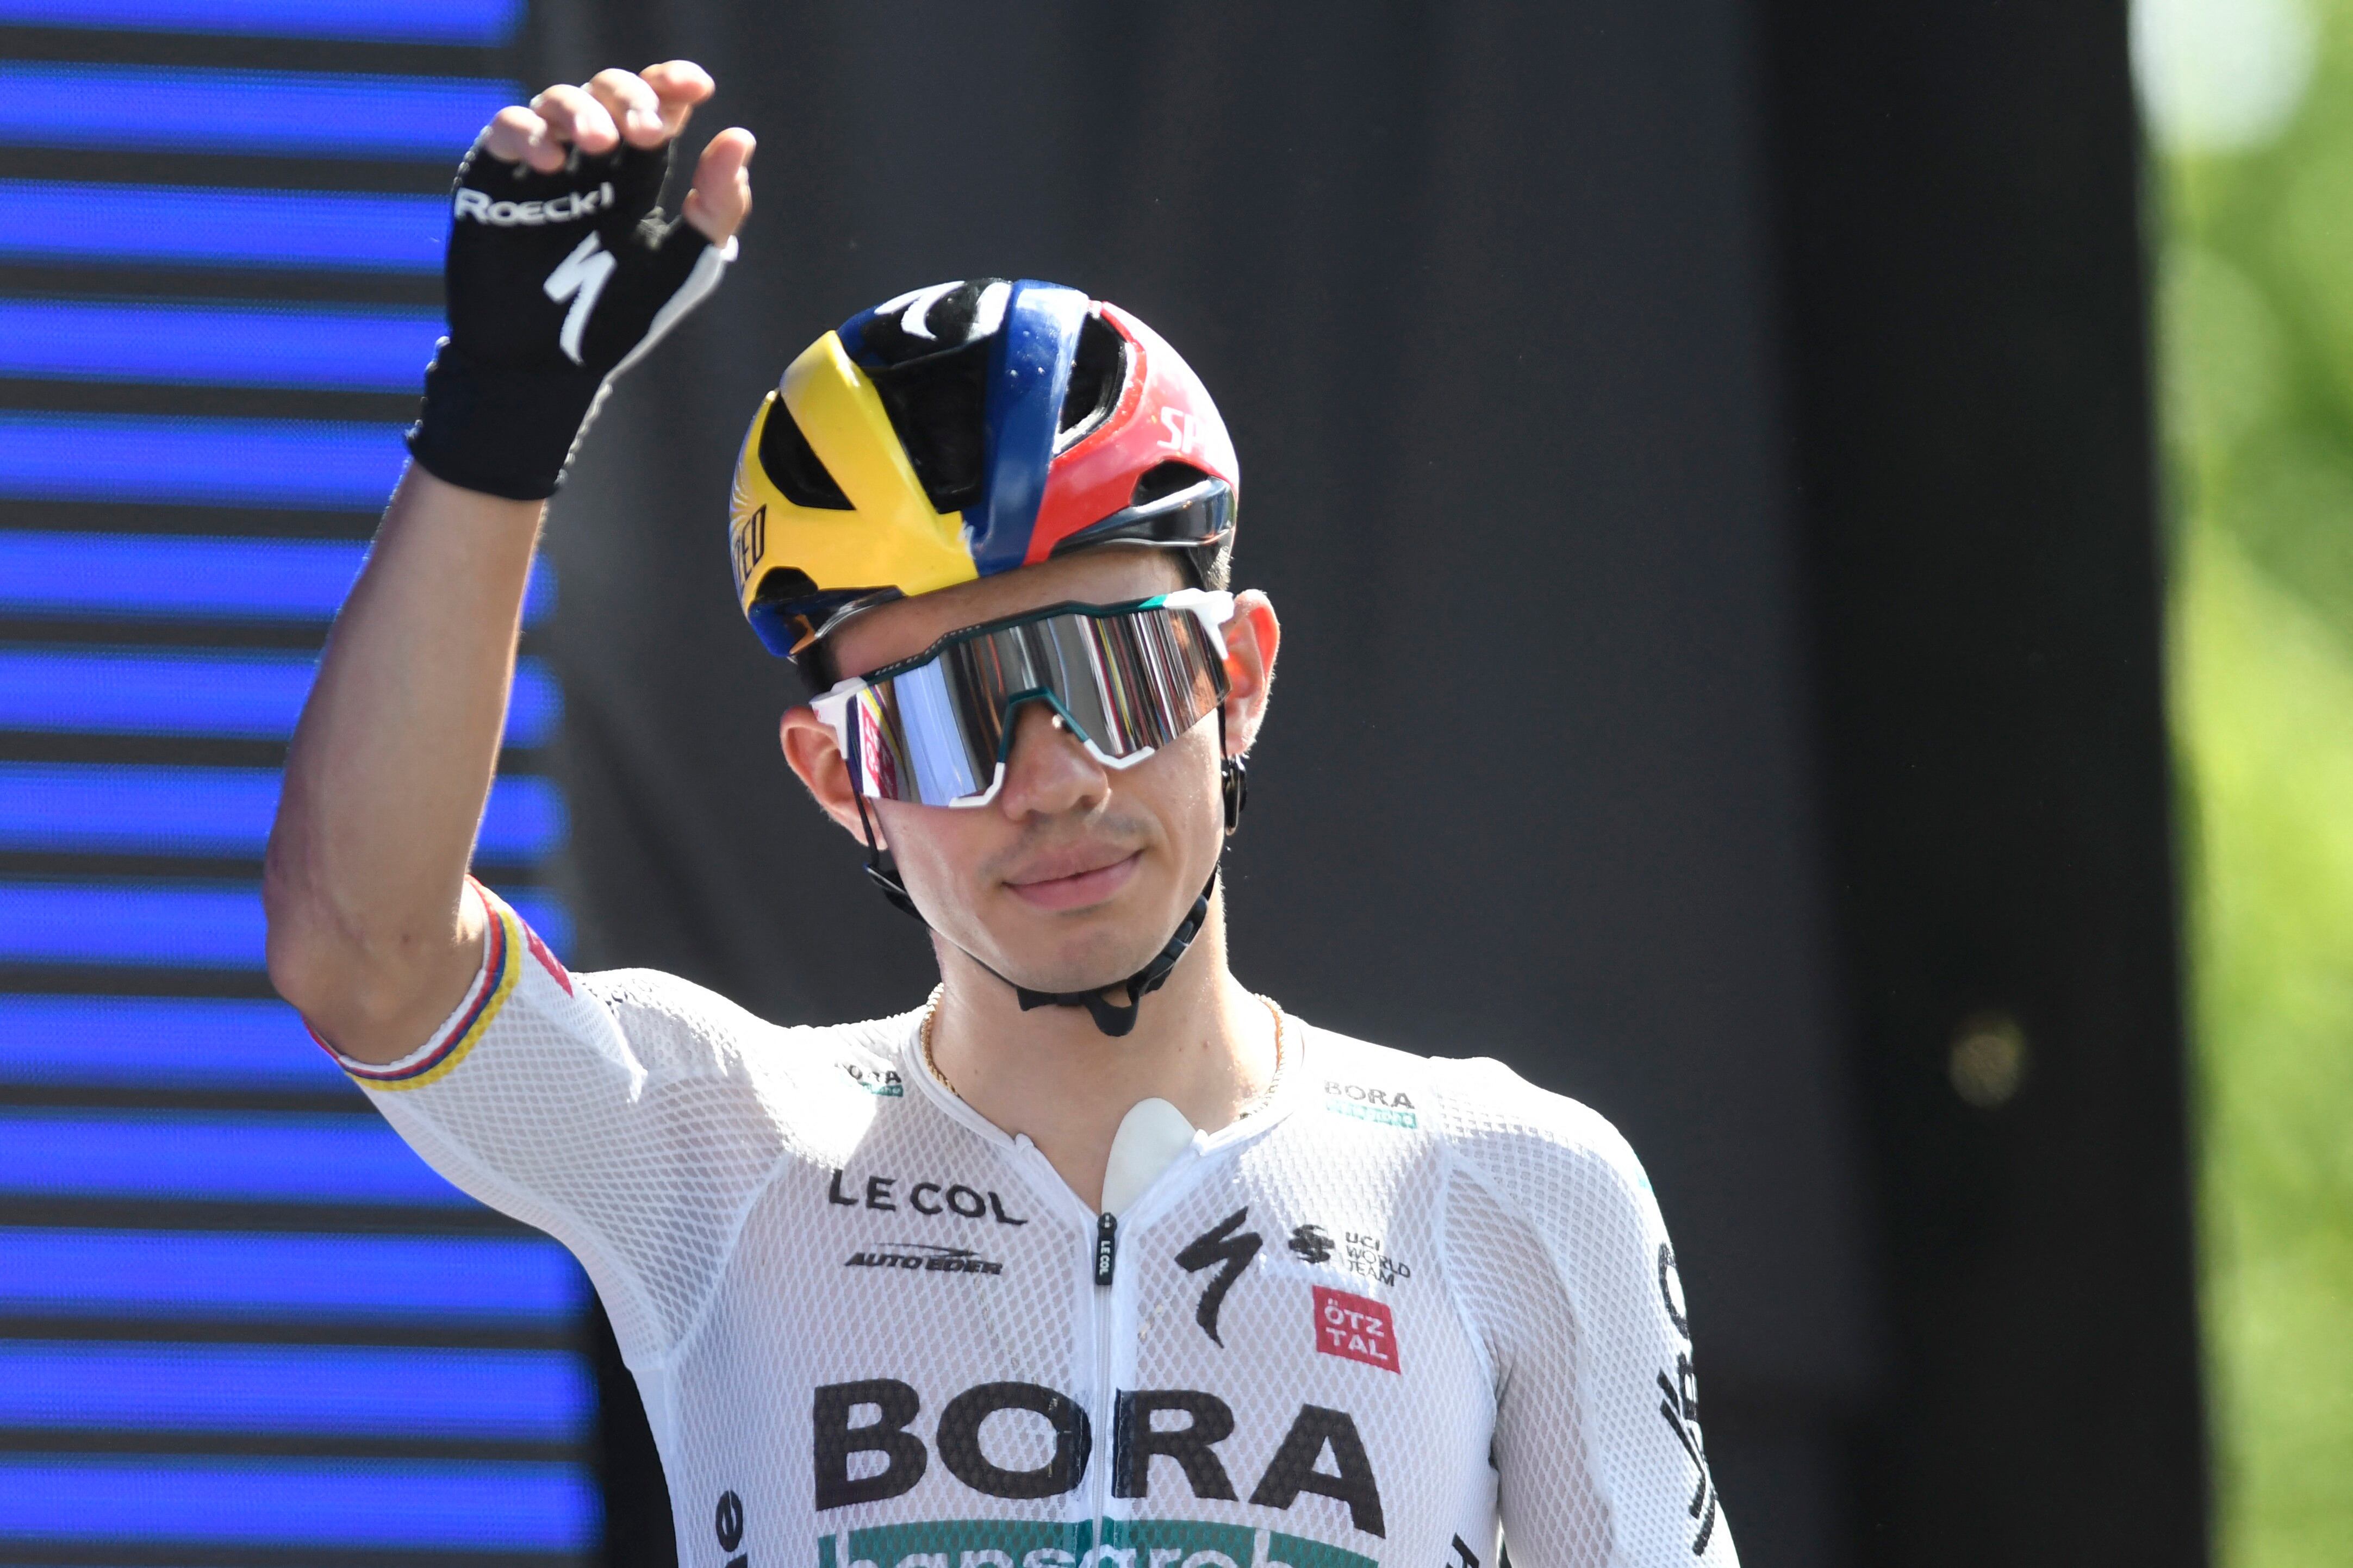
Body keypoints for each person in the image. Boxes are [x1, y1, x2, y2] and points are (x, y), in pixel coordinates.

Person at [264, 61, 1737, 1568]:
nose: (1055, 779)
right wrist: (497, 425)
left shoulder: (1514, 1185)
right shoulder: (725, 1151)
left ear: (1239, 676)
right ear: (843, 780)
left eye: (1112, 671)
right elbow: (362, 956)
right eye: (947, 718)